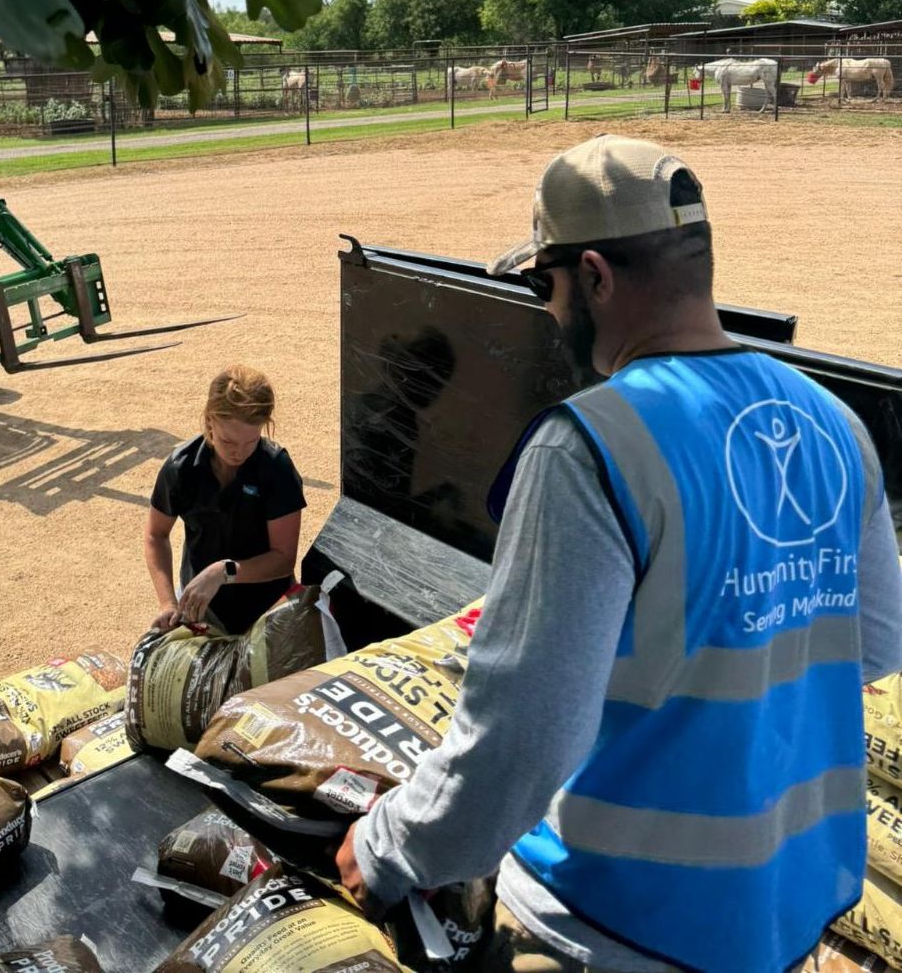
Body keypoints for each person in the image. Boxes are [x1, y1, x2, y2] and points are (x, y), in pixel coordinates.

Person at [337, 134, 902, 972]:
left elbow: (521, 741)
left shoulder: (588, 447)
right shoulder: (835, 425)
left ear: (594, 277)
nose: (548, 310)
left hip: (609, 928)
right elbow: (874, 646)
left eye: (544, 285)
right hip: (783, 920)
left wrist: (387, 848)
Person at [145, 364, 306, 634]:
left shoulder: (276, 469)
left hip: (266, 612)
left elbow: (283, 559)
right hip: (201, 608)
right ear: (209, 420)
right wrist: (167, 604)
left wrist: (224, 572)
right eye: (228, 441)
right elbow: (155, 535)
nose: (239, 454)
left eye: (251, 442)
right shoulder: (181, 467)